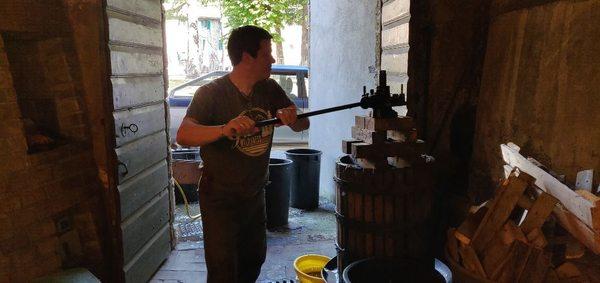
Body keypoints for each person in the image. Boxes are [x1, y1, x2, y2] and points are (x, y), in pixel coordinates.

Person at [176, 25, 310, 282]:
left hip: (255, 193)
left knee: (253, 259)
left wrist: (293, 118)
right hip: (220, 197)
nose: (272, 59)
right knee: (223, 269)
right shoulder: (211, 93)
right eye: (267, 53)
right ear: (247, 57)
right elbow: (184, 134)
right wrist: (225, 129)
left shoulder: (269, 89)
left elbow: (303, 124)